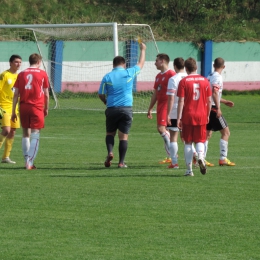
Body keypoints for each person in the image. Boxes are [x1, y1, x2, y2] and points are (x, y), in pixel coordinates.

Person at [98, 42, 146, 168]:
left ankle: (110, 152)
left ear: (113, 65)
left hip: (112, 108)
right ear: (124, 65)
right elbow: (140, 64)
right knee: (123, 136)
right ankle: (121, 162)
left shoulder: (107, 76)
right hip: (126, 109)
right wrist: (143, 50)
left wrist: (105, 102)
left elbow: (101, 94)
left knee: (110, 133)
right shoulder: (129, 73)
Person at [11, 53, 49, 170]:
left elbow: (16, 94)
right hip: (36, 106)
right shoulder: (42, 73)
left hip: (23, 106)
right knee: (35, 134)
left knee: (25, 133)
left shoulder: (21, 74)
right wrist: (46, 108)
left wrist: (13, 112)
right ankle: (30, 162)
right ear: (38, 62)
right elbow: (46, 94)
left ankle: (26, 160)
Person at [177, 57, 212, 176]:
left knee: (188, 142)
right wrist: (207, 115)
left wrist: (178, 118)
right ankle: (201, 156)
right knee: (200, 140)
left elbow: (181, 101)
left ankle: (189, 170)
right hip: (201, 114)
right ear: (196, 67)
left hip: (188, 114)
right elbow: (209, 100)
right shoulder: (205, 81)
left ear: (186, 69)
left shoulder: (184, 81)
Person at [206, 57, 235, 166]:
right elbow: (214, 93)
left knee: (207, 133)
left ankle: (200, 157)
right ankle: (222, 158)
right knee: (226, 132)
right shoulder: (217, 78)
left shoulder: (209, 76)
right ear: (224, 66)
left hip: (207, 106)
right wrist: (218, 107)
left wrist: (224, 101)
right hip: (213, 108)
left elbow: (212, 94)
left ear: (214, 65)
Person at [147, 53, 176, 164]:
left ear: (163, 61)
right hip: (160, 105)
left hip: (167, 104)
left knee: (161, 129)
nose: (155, 63)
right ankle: (170, 156)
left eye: (157, 60)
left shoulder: (171, 74)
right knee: (167, 130)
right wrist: (150, 108)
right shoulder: (158, 76)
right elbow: (155, 93)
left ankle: (173, 154)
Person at [0, 54, 22, 164]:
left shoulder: (20, 77)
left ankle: (5, 157)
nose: (18, 64)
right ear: (10, 63)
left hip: (14, 109)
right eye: (16, 62)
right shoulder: (4, 75)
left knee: (12, 132)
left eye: (20, 62)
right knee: (6, 130)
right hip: (3, 107)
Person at [166, 57, 187, 169]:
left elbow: (171, 99)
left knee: (173, 136)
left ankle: (174, 162)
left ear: (174, 66)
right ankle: (196, 156)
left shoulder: (173, 79)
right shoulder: (189, 78)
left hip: (175, 109)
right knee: (187, 137)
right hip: (188, 110)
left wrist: (168, 114)